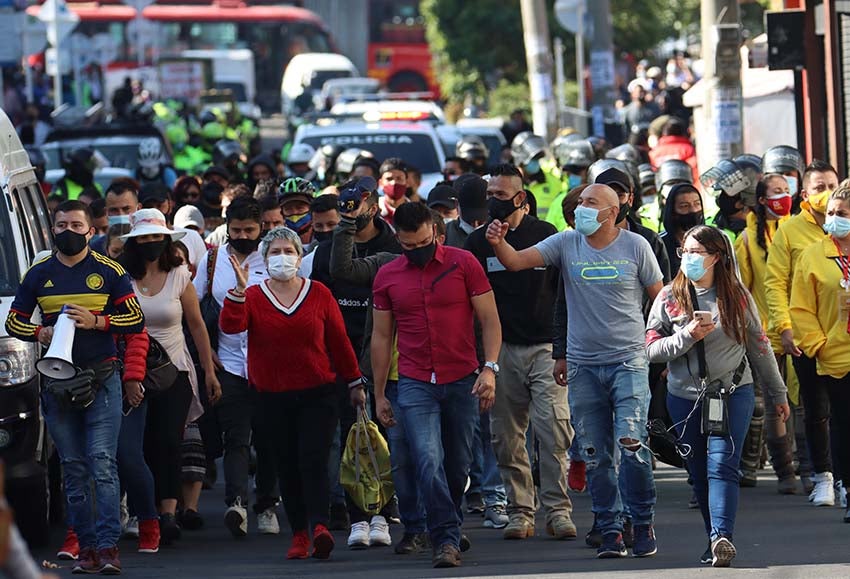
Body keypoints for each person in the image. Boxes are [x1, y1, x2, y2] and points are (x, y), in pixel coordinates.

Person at [487, 184, 663, 560]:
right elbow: (516, 262)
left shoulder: (636, 246)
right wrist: (499, 242)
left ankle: (642, 520)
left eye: (590, 203)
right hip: (584, 365)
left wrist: (656, 344)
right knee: (596, 454)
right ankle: (611, 529)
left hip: (628, 362)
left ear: (612, 213)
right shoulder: (566, 243)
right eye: (580, 202)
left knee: (631, 447)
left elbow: (659, 298)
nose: (580, 208)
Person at [6, 200, 145, 574]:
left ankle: (108, 547)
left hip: (102, 376)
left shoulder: (110, 270)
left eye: (76, 224)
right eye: (62, 224)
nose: (69, 231)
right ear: (52, 230)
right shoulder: (38, 274)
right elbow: (14, 322)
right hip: (56, 382)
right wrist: (41, 331)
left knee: (102, 463)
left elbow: (134, 318)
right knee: (73, 467)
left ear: (91, 230)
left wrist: (97, 322)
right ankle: (85, 548)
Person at [646, 225, 789, 567]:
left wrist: (778, 392)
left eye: (697, 253)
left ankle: (721, 536)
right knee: (697, 471)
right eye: (685, 252)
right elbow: (650, 349)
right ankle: (715, 538)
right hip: (684, 396)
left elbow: (759, 346)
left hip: (733, 392)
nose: (689, 259)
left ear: (718, 258)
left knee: (723, 465)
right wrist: (686, 336)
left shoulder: (737, 295)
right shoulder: (668, 297)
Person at [220, 226, 363, 560]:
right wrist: (238, 293)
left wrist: (355, 382)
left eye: (289, 251)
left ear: (300, 257)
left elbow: (339, 342)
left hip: (318, 392)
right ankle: (299, 533)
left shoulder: (319, 294)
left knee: (313, 460)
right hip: (271, 396)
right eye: (275, 252)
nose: (282, 258)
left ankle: (320, 527)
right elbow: (231, 327)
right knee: (287, 463)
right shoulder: (253, 295)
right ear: (265, 258)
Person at [372, 202, 502, 568]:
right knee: (427, 460)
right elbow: (381, 337)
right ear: (398, 239)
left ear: (436, 232)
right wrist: (379, 393)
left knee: (458, 464)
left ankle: (449, 523)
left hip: (463, 379)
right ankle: (445, 538)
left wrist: (489, 369)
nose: (416, 252)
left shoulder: (464, 263)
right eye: (408, 246)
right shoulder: (388, 276)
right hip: (414, 382)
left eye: (424, 243)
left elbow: (490, 319)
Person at [465, 164, 575, 540]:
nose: (492, 201)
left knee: (554, 430)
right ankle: (520, 512)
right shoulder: (477, 244)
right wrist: (484, 362)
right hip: (502, 352)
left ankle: (558, 510)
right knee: (506, 437)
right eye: (489, 194)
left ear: (520, 198)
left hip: (545, 346)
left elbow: (564, 296)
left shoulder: (545, 235)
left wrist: (562, 348)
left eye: (499, 195)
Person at [119, 209, 221, 544]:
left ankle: (168, 512)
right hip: (131, 372)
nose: (150, 243)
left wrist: (208, 370)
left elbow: (196, 325)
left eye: (155, 237)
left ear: (166, 240)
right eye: (144, 237)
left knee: (168, 441)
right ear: (134, 243)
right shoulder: (120, 277)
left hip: (174, 370)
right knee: (139, 446)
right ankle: (142, 510)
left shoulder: (179, 274)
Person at [310, 177, 401, 549]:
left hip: (384, 357)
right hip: (340, 356)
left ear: (375, 207)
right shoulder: (329, 249)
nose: (351, 210)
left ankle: (383, 512)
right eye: (346, 204)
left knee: (386, 438)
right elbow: (326, 291)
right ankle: (357, 517)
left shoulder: (393, 247)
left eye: (359, 203)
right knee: (351, 438)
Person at [765, 160, 840, 507]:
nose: (826, 194)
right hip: (807, 334)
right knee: (816, 408)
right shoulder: (791, 231)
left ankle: (843, 478)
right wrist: (784, 327)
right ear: (805, 194)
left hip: (844, 334)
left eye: (831, 186)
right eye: (819, 188)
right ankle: (822, 475)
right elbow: (776, 282)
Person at [193, 196, 269, 537]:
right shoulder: (212, 261)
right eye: (235, 230)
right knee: (236, 437)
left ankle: (267, 504)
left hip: (271, 363)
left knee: (269, 440)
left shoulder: (274, 258)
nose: (242, 236)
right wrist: (206, 354)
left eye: (249, 230)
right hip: (229, 363)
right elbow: (192, 312)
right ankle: (236, 503)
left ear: (261, 228)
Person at [790, 186, 850, 523]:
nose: (833, 220)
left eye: (841, 214)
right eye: (831, 213)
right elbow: (800, 307)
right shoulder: (813, 255)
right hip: (837, 357)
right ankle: (847, 487)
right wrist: (819, 345)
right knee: (843, 424)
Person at [734, 175, 797, 490]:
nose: (784, 197)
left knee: (795, 402)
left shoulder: (800, 233)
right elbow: (741, 290)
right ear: (760, 201)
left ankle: (796, 466)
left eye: (787, 191)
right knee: (764, 404)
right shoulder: (745, 240)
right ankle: (768, 470)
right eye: (776, 192)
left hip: (801, 330)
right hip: (762, 333)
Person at [660, 183, 705, 274]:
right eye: (685, 206)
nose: (693, 210)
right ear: (672, 211)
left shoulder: (712, 239)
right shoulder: (660, 244)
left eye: (697, 204)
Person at [445, 175, 488, 248]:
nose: (475, 225)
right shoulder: (445, 233)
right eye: (469, 220)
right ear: (456, 205)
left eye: (482, 220)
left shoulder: (503, 234)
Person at [279, 177, 317, 246]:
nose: (294, 212)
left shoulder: (323, 238)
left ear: (311, 209)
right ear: (282, 212)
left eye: (300, 208)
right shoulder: (276, 242)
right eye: (288, 209)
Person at [377, 158, 409, 225]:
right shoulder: (373, 211)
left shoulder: (417, 213)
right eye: (389, 179)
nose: (394, 183)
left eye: (399, 178)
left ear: (407, 182)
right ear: (380, 183)